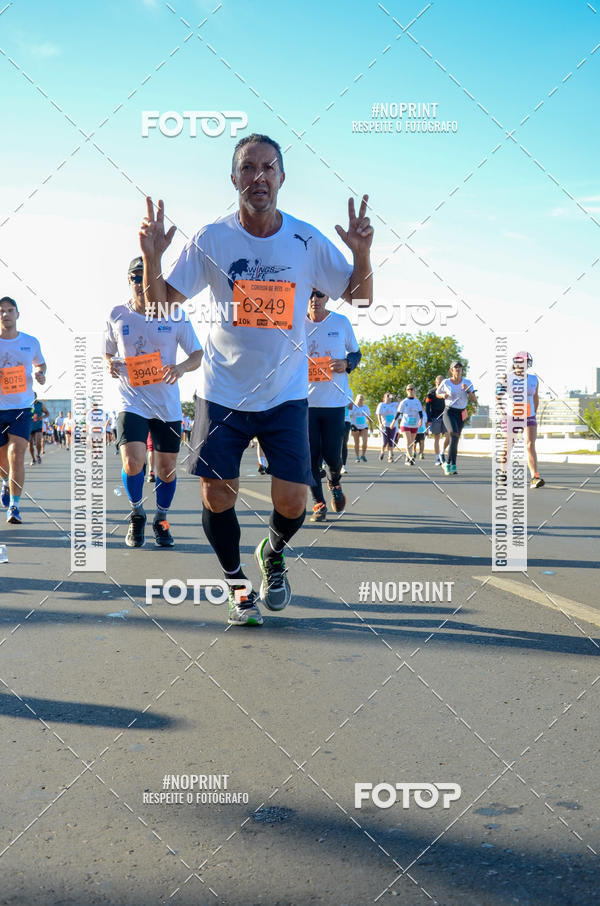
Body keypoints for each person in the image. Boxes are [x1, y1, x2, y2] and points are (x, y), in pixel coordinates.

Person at [139, 133, 373, 626]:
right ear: (234, 178)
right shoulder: (214, 238)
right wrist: (153, 258)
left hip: (286, 393)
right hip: (222, 392)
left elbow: (360, 296)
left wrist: (362, 253)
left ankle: (274, 551)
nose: (258, 176)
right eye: (248, 167)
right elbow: (160, 305)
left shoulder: (306, 240)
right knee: (216, 495)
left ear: (282, 178)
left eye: (268, 167)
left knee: (292, 501)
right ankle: (238, 585)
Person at [104, 256, 203, 548]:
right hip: (130, 400)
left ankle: (161, 518)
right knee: (133, 461)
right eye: (136, 277)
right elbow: (107, 352)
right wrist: (109, 364)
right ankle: (136, 513)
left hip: (166, 404)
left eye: (146, 276)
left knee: (166, 469)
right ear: (129, 280)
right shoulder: (116, 314)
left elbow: (197, 354)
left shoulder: (175, 315)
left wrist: (181, 368)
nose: (141, 282)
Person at [306, 288, 361, 522]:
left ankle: (334, 482)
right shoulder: (295, 323)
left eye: (319, 294)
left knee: (333, 456)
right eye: (309, 294)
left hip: (334, 402)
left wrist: (347, 363)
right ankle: (318, 503)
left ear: (327, 297)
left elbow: (357, 353)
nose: (314, 299)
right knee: (310, 458)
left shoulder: (340, 322)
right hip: (304, 403)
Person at [0, 296, 47, 523]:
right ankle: (5, 483)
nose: (5, 315)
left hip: (21, 407)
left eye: (10, 310)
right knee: (2, 464)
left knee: (16, 453)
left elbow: (41, 363)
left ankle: (15, 507)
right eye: (1, 311)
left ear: (17, 314)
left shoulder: (30, 342)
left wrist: (40, 373)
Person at [436, 361, 477, 475]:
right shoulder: (446, 382)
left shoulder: (467, 382)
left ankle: (453, 464)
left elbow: (474, 399)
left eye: (459, 367)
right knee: (453, 433)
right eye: (455, 367)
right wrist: (443, 395)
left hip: (461, 413)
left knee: (456, 439)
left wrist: (468, 390)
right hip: (449, 411)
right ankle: (448, 463)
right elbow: (437, 394)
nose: (458, 369)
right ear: (451, 370)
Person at [392, 384, 423, 465]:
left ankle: (407, 458)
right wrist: (393, 422)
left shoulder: (417, 401)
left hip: (414, 424)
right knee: (408, 441)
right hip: (405, 424)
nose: (410, 391)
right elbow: (398, 412)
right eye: (408, 389)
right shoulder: (404, 402)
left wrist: (421, 420)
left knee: (412, 442)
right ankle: (410, 458)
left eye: (412, 389)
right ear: (406, 391)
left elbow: (420, 412)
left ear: (414, 390)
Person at [425, 375, 448, 465]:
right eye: (439, 382)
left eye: (442, 382)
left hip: (446, 416)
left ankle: (442, 453)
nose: (440, 384)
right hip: (435, 417)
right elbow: (427, 406)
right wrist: (429, 419)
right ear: (436, 382)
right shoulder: (431, 392)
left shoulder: (447, 392)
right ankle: (437, 458)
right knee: (437, 437)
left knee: (448, 435)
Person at [376, 392, 398, 463]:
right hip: (384, 425)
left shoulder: (394, 404)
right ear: (384, 398)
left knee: (391, 441)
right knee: (385, 441)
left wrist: (395, 396)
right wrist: (380, 423)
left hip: (393, 426)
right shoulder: (381, 405)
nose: (388, 398)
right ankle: (382, 452)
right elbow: (378, 414)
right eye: (387, 396)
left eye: (389, 396)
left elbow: (401, 403)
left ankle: (390, 457)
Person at [350, 394, 371, 462]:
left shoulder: (366, 407)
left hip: (364, 427)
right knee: (357, 442)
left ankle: (363, 455)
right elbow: (349, 416)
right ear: (356, 400)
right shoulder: (353, 407)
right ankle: (357, 457)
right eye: (359, 399)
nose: (361, 401)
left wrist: (371, 427)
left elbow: (369, 417)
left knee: (365, 442)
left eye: (362, 399)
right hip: (355, 426)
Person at [29, 393, 49, 464]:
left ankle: (38, 454)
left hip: (38, 426)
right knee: (30, 443)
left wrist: (42, 417)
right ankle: (33, 458)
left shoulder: (40, 404)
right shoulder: (28, 404)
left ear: (36, 397)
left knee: (38, 442)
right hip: (29, 426)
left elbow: (47, 413)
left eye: (34, 396)